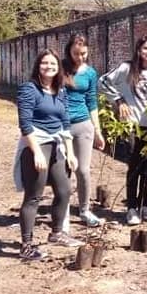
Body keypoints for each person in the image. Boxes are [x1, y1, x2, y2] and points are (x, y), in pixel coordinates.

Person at [15, 48, 81, 261]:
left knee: (64, 190)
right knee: (34, 196)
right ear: (38, 65)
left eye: (53, 64)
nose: (49, 67)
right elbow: (25, 124)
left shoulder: (60, 90)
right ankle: (26, 244)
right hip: (36, 144)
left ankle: (57, 233)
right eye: (45, 63)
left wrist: (70, 153)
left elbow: (65, 122)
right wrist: (36, 153)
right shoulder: (29, 89)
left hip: (56, 144)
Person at [98, 35, 147, 226]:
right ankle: (131, 208)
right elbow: (103, 82)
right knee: (135, 165)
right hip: (132, 125)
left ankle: (144, 204)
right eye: (145, 49)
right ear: (138, 50)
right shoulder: (126, 68)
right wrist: (119, 101)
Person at [62, 33, 106, 227]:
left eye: (83, 54)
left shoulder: (90, 73)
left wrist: (98, 131)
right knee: (62, 171)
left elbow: (92, 102)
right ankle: (61, 211)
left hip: (82, 125)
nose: (79, 57)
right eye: (75, 53)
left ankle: (84, 210)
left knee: (83, 170)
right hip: (60, 126)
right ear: (69, 51)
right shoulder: (59, 68)